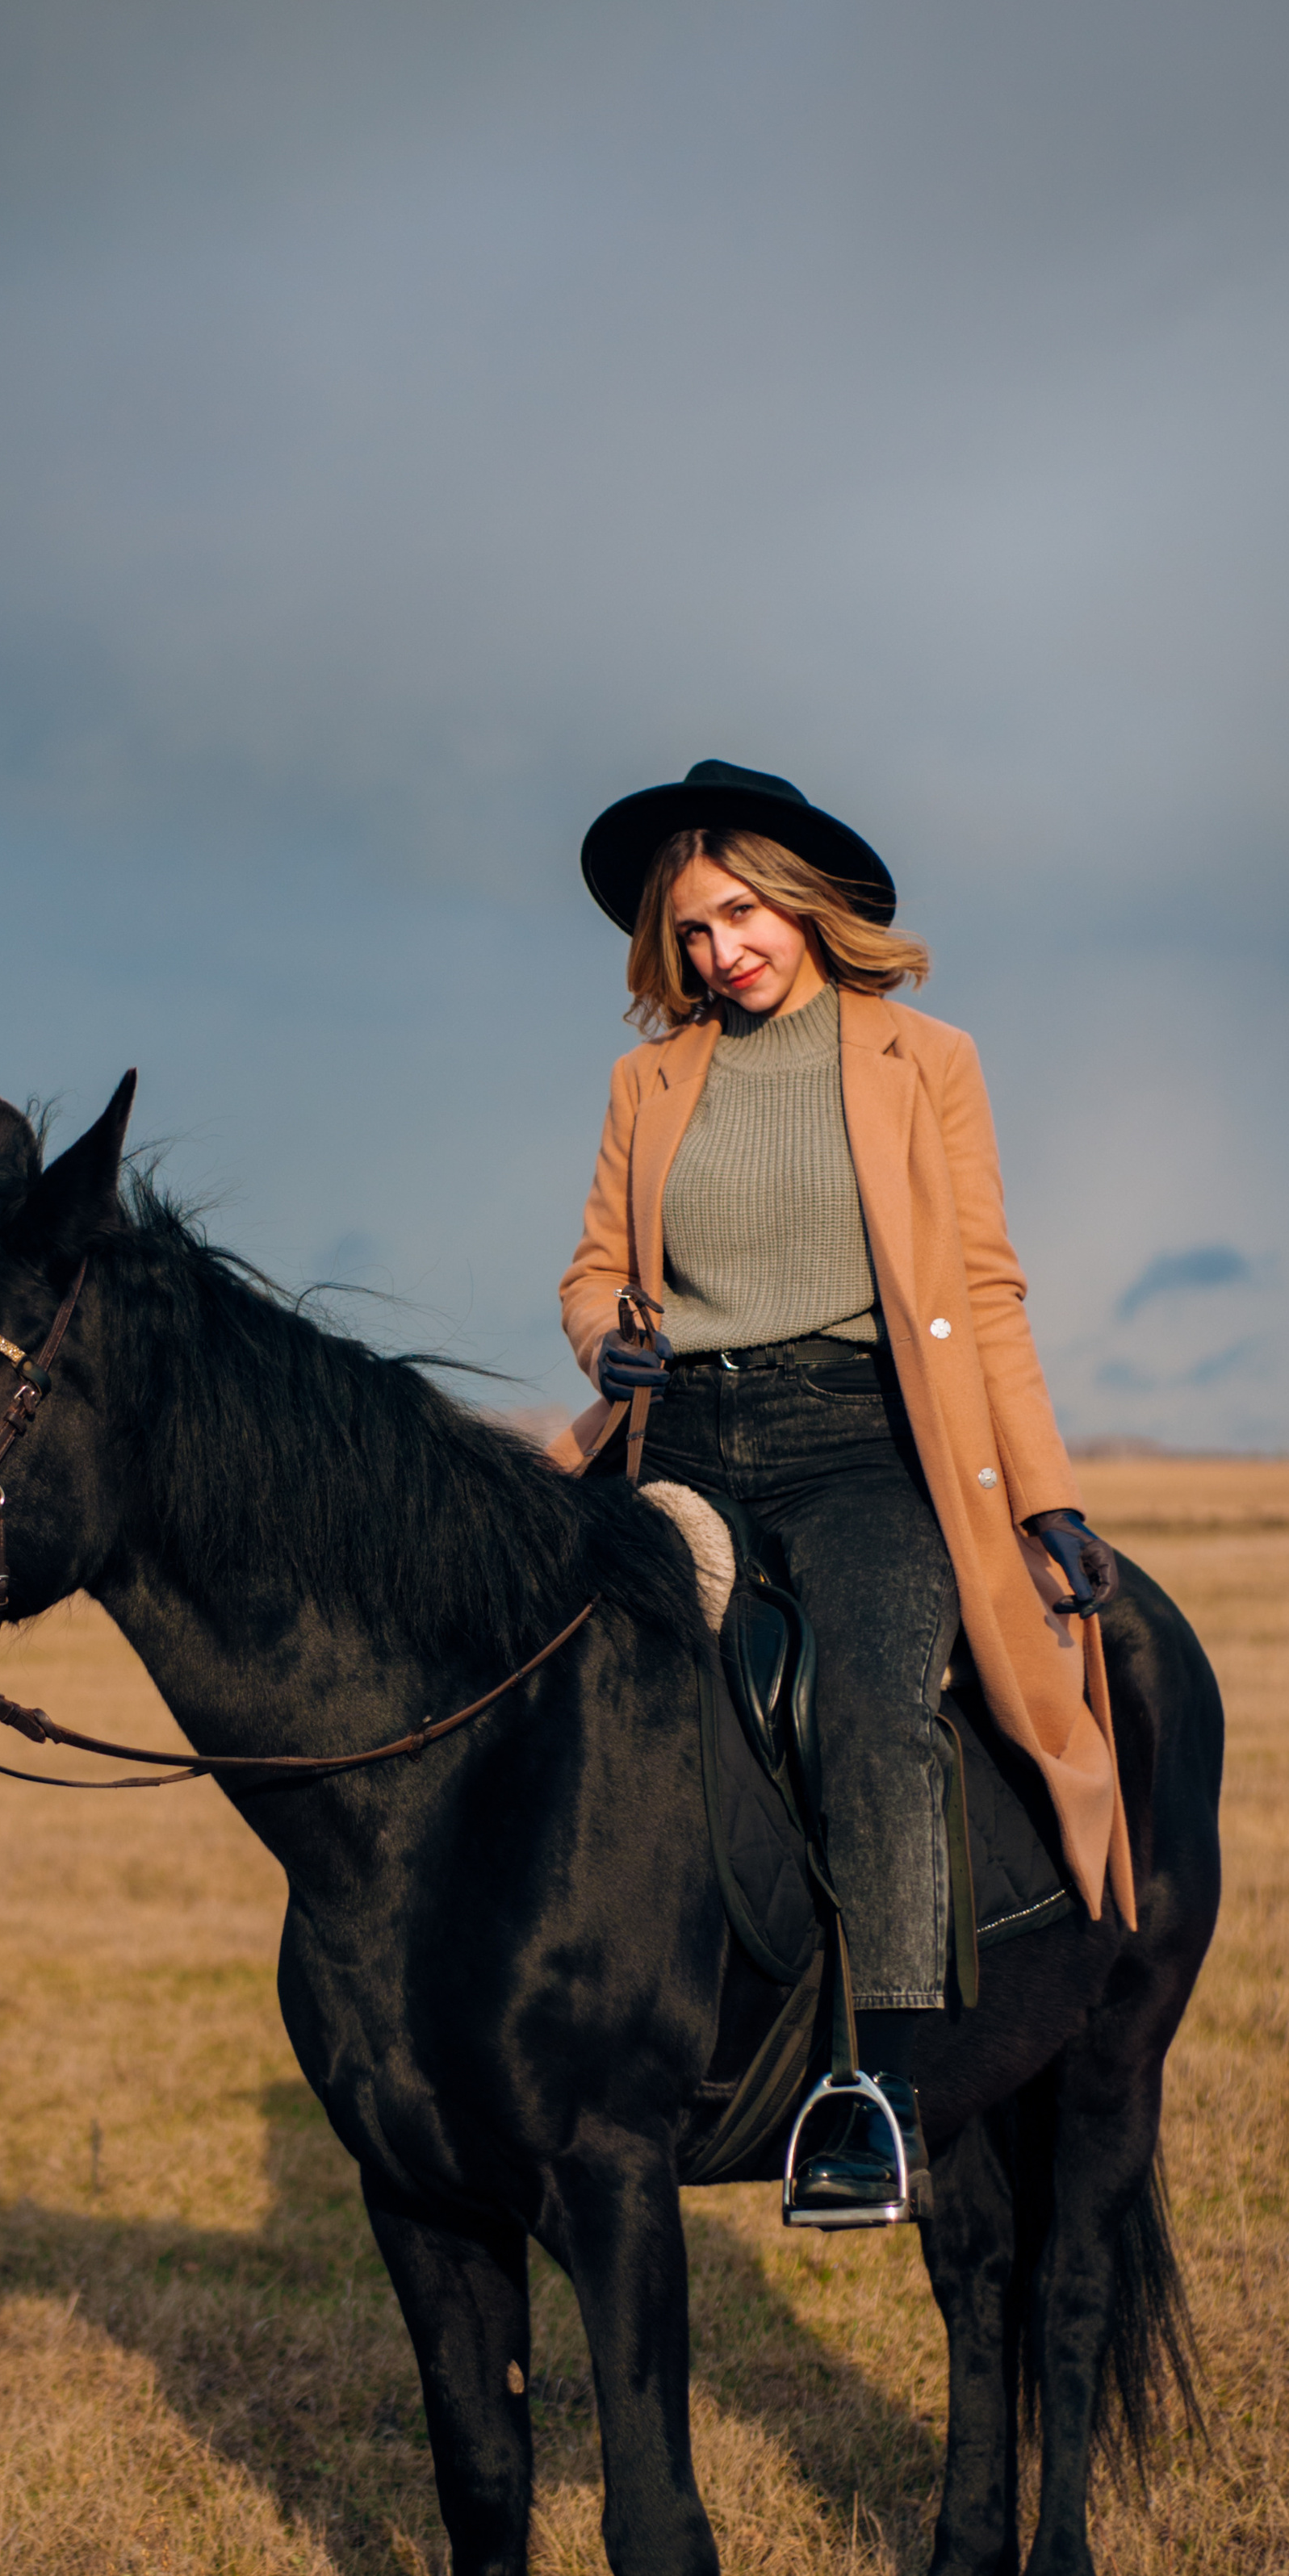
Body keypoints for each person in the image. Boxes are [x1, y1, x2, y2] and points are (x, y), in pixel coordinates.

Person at [550, 759, 1132, 2091]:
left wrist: (1045, 1499)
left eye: (743, 914)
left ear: (805, 903)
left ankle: (884, 2080)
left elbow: (984, 1289)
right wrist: (607, 1336)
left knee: (872, 1708)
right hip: (680, 1446)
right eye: (693, 930)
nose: (720, 950)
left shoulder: (926, 1060)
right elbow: (593, 1272)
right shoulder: (647, 1083)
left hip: (859, 1451)